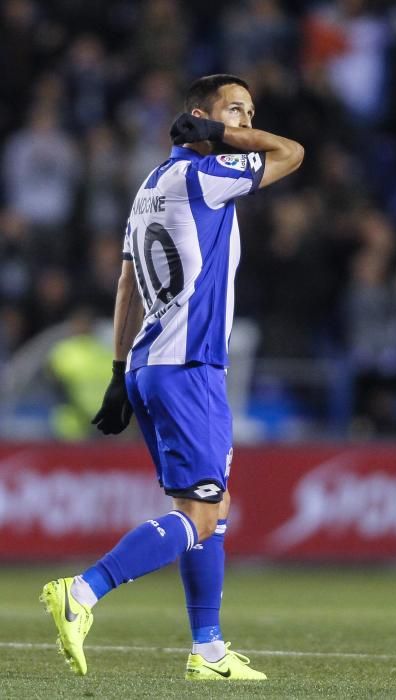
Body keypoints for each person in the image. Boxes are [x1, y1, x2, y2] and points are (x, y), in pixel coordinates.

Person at [40, 74, 304, 681]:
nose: (243, 123)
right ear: (199, 118)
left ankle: (208, 651)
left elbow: (127, 282)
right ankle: (82, 592)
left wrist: (116, 369)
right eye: (233, 112)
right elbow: (291, 153)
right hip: (189, 366)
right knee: (204, 514)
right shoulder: (206, 178)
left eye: (251, 112)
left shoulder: (150, 186)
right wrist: (234, 138)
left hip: (149, 362)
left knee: (207, 504)